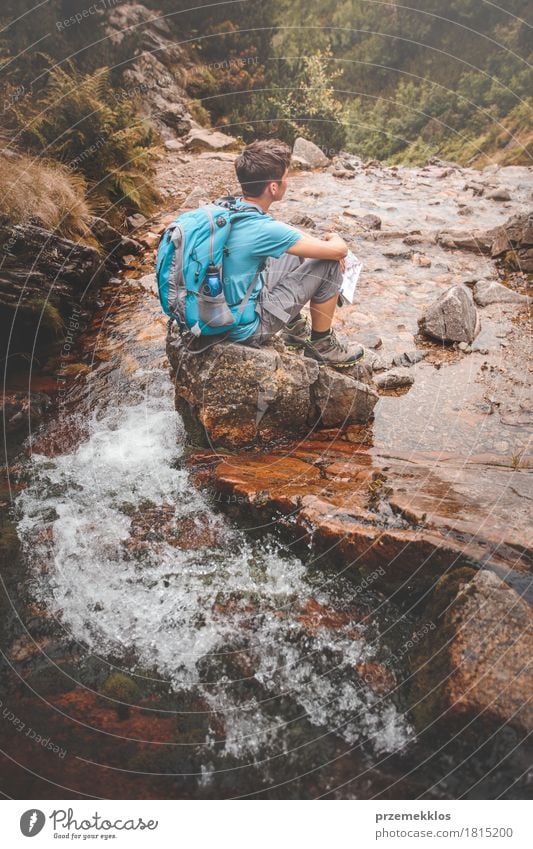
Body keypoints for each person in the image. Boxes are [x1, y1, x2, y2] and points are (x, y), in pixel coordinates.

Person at [214, 138, 364, 367]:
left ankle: (293, 329)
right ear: (273, 187)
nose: (287, 182)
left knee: (290, 252)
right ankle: (322, 345)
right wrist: (335, 241)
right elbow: (339, 250)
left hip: (220, 310)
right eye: (285, 177)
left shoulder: (228, 207)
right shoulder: (264, 228)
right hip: (247, 329)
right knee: (329, 264)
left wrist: (318, 246)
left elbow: (290, 237)